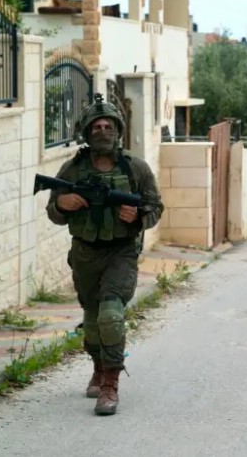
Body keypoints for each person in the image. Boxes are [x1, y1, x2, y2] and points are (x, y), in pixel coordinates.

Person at [45, 93, 164, 415]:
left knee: (111, 314)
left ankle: (111, 382)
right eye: (96, 126)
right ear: (87, 132)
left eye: (108, 125)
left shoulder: (135, 168)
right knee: (92, 319)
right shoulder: (72, 169)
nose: (102, 130)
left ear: (118, 129)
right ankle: (98, 367)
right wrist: (61, 204)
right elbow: (53, 212)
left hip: (121, 252)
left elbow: (155, 207)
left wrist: (138, 217)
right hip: (85, 254)